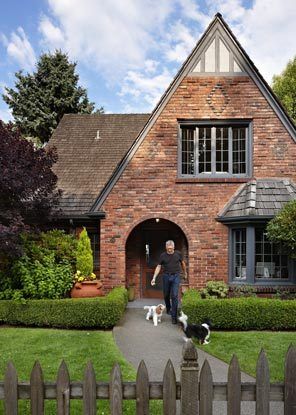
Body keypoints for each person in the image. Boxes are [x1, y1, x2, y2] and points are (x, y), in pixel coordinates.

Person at [151, 240, 187, 324]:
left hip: (176, 276)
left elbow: (183, 263)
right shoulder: (163, 255)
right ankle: (168, 308)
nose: (170, 250)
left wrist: (185, 272)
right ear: (166, 247)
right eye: (168, 248)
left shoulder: (178, 254)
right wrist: (154, 278)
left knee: (174, 295)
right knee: (166, 294)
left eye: (171, 248)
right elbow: (159, 266)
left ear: (173, 247)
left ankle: (174, 317)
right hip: (166, 276)